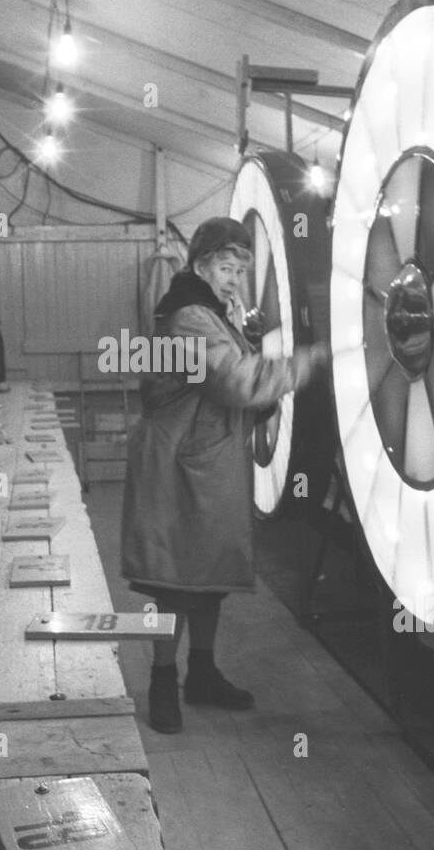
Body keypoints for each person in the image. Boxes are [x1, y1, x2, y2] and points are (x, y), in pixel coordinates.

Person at [121, 216, 328, 733]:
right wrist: (307, 363)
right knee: (172, 584)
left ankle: (203, 673)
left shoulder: (211, 314)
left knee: (208, 578)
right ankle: (163, 682)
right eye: (225, 267)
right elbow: (236, 382)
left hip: (205, 466)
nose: (234, 279)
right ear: (199, 265)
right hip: (178, 469)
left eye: (240, 270)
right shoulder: (191, 317)